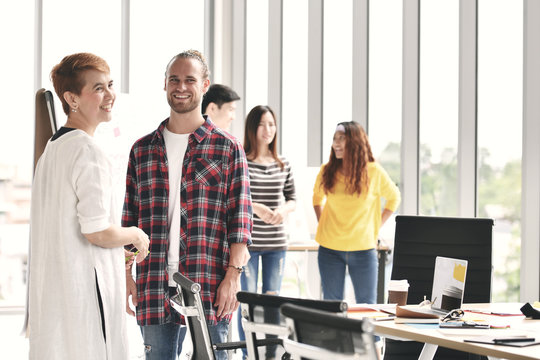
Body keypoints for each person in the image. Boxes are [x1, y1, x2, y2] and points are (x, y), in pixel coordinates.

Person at [122, 49, 252, 360]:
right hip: (153, 283)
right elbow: (130, 219)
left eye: (190, 80)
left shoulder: (228, 147)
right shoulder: (142, 150)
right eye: (174, 80)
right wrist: (127, 275)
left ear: (205, 85)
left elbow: (241, 222)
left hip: (209, 283)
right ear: (165, 85)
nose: (181, 87)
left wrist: (232, 278)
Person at [26, 52, 150, 360]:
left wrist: (115, 248)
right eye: (98, 88)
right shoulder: (87, 150)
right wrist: (136, 235)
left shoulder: (53, 149)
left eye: (109, 84)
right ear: (72, 98)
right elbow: (96, 231)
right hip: (84, 300)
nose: (109, 95)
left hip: (58, 300)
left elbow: (71, 231)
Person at [313, 121, 400, 305]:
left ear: (355, 142)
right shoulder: (327, 170)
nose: (336, 143)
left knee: (367, 307)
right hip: (329, 249)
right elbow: (316, 199)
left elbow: (394, 198)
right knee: (332, 307)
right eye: (335, 139)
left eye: (342, 139)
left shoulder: (373, 172)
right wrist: (323, 223)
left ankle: (370, 337)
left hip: (363, 249)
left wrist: (377, 225)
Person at [237, 105, 296, 360]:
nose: (268, 130)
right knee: (248, 302)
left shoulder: (283, 163)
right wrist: (258, 208)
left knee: (273, 302)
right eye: (262, 124)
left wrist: (284, 210)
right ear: (252, 127)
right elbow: (236, 198)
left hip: (276, 244)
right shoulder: (241, 160)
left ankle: (271, 354)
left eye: (271, 124)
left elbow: (293, 198)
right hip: (248, 244)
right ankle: (247, 354)